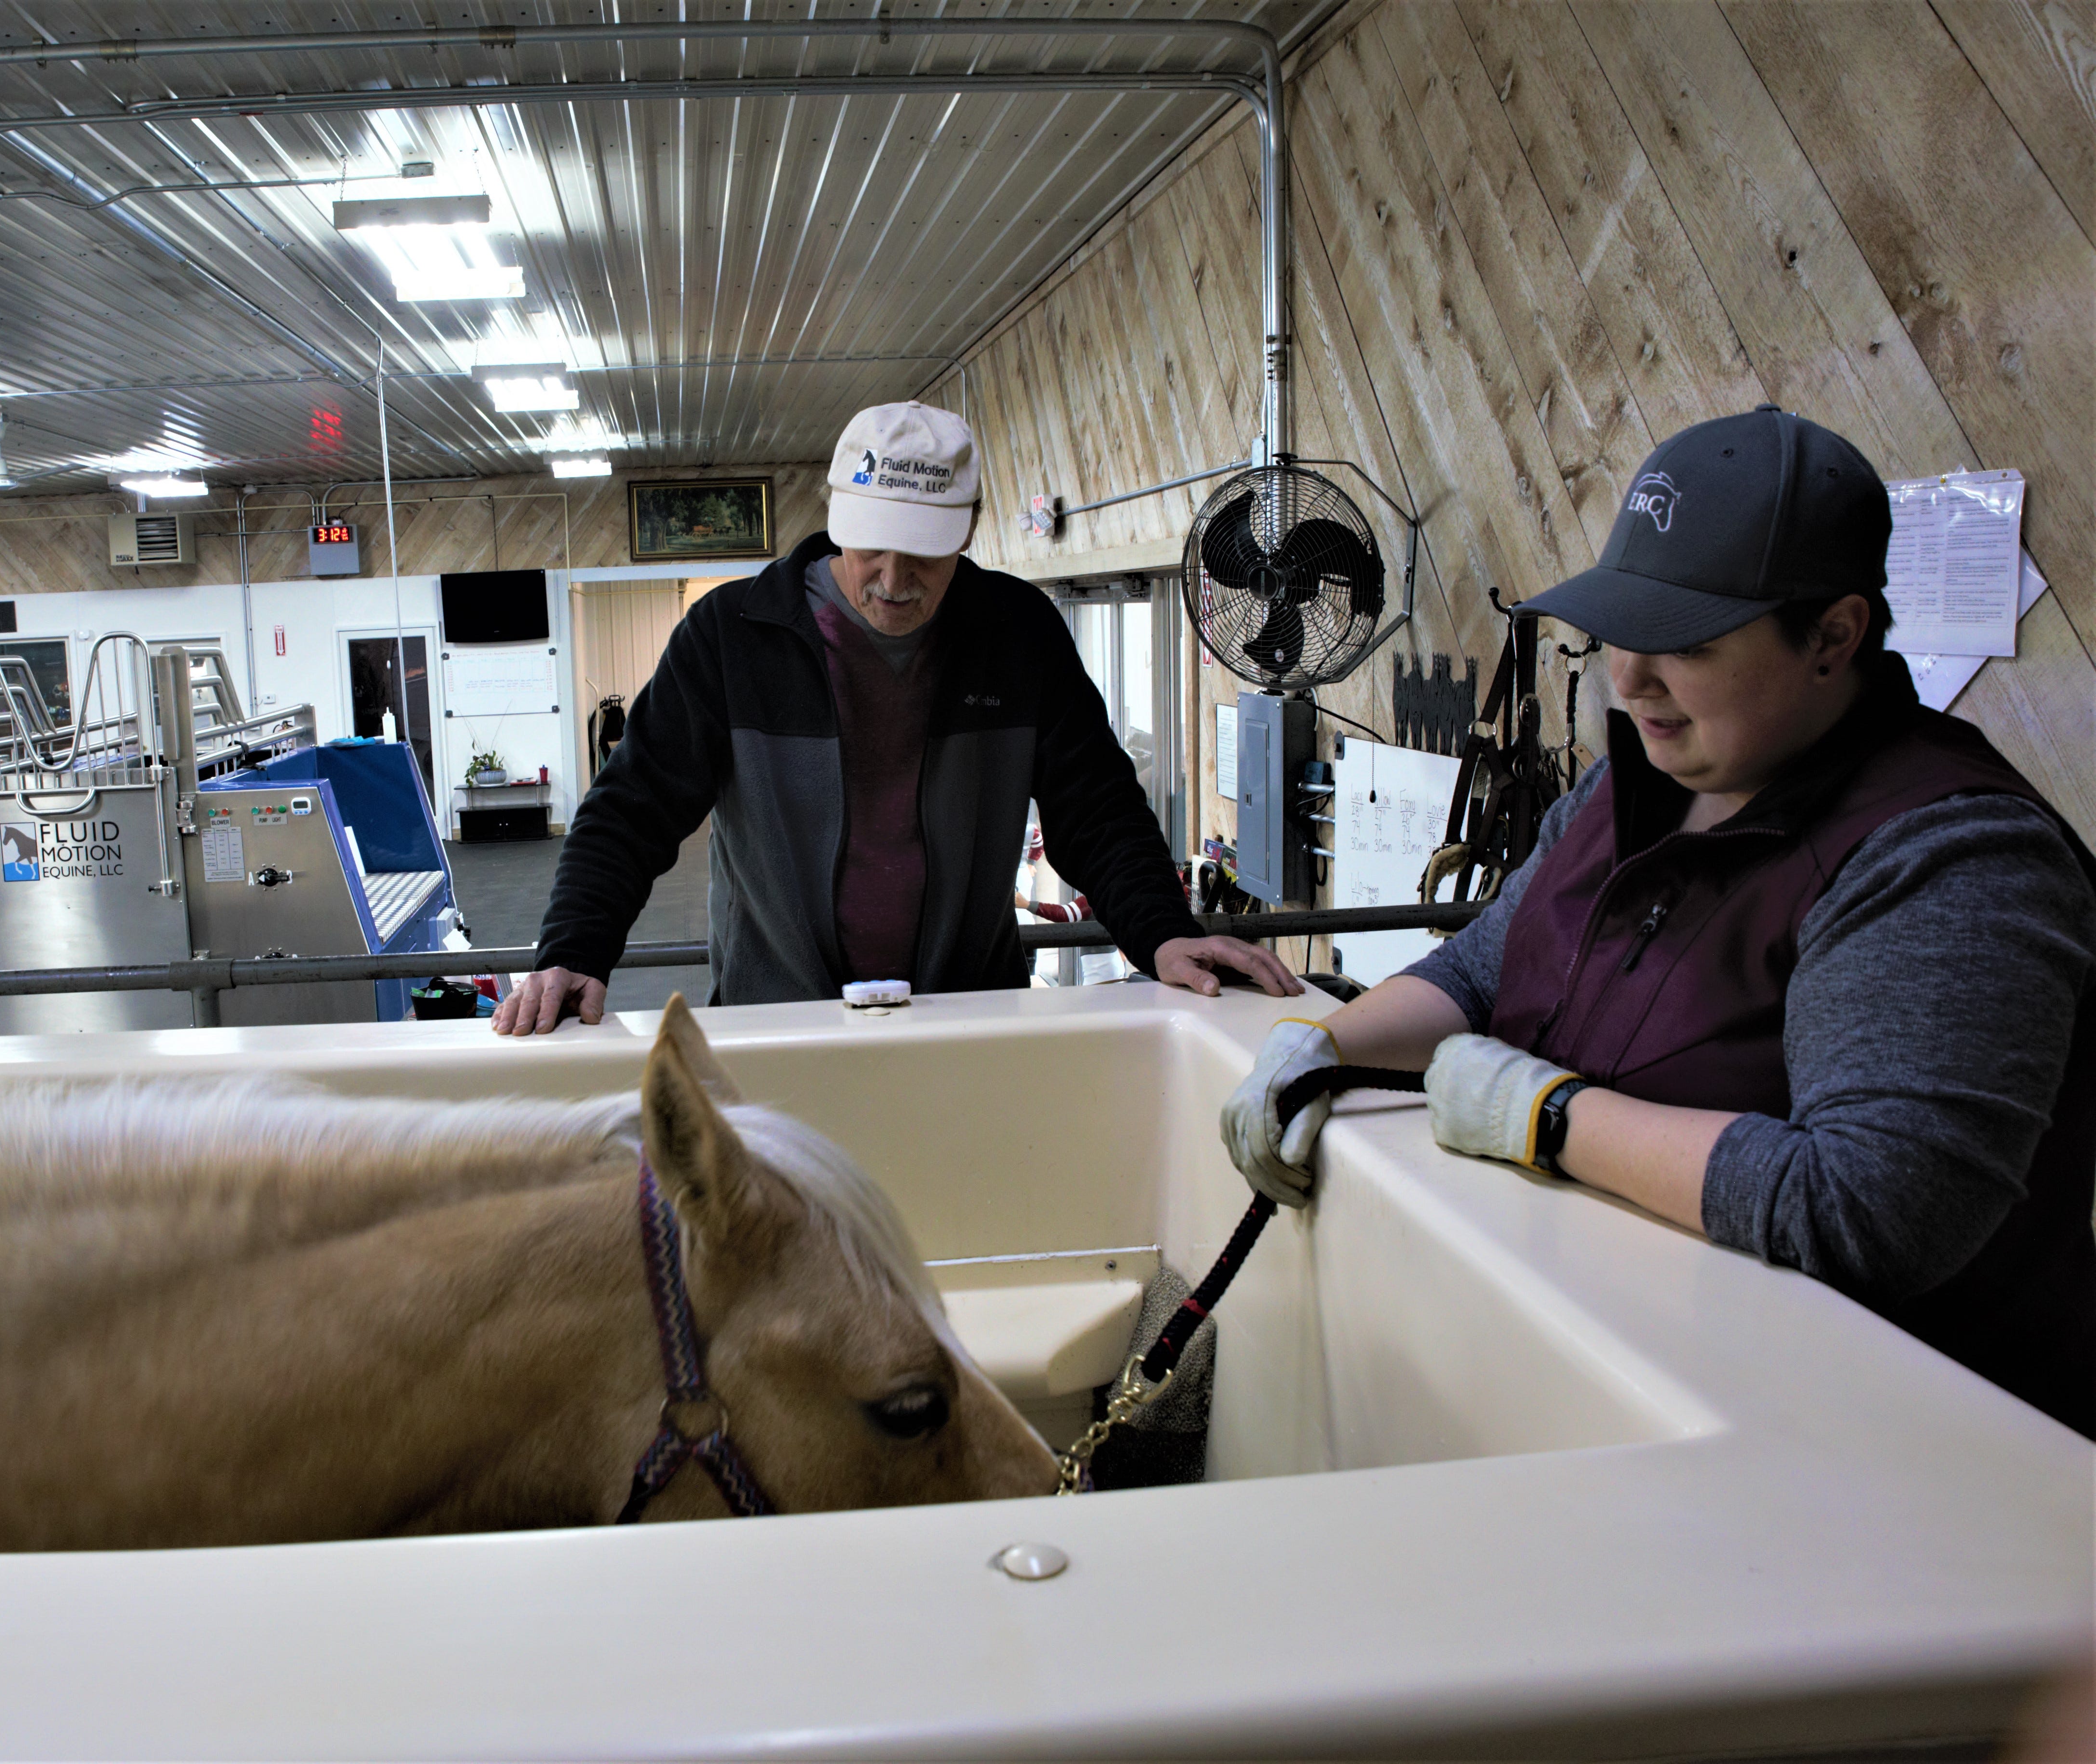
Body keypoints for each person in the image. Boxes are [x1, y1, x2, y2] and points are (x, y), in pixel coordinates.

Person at [1223, 406, 2095, 1435]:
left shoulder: (1948, 860)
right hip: (1623, 1387)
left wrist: (1548, 1118)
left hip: (1865, 1467)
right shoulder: (1626, 791)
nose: (1630, 682)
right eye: (1619, 632)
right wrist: (1319, 1049)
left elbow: (1870, 1207)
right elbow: (1482, 972)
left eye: (1687, 642)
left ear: (1833, 637)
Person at [496, 400, 1299, 1033]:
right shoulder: (731, 640)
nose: (893, 578)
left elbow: (1097, 806)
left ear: (970, 529)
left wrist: (1161, 930)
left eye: (924, 551)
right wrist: (573, 952)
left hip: (965, 1018)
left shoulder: (1017, 635)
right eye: (872, 543)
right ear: (836, 514)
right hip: (780, 1022)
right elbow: (630, 809)